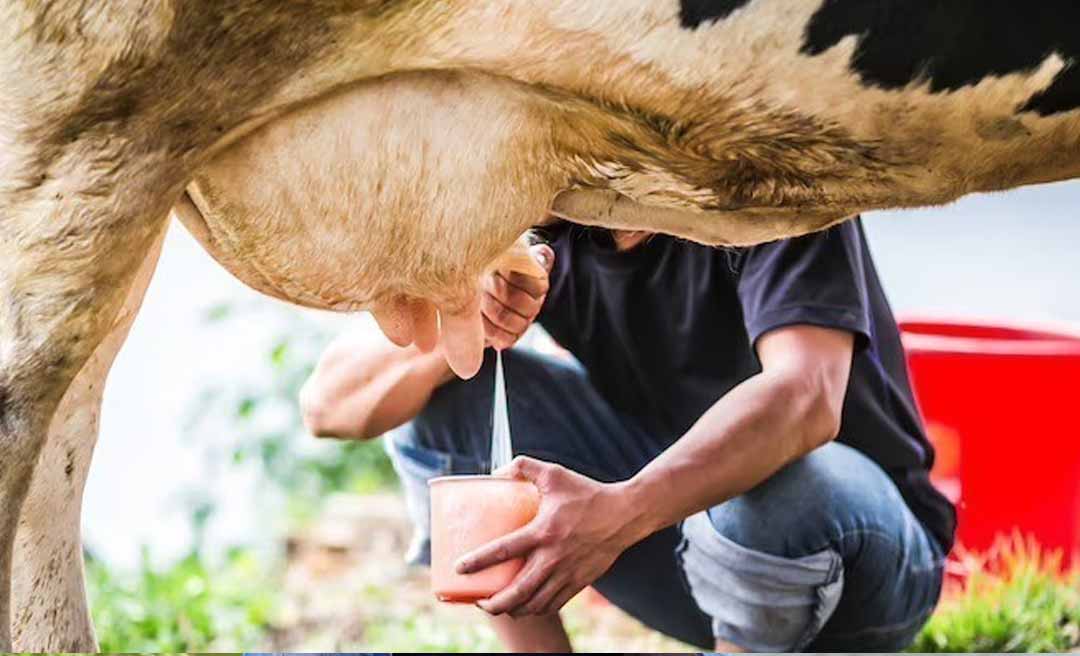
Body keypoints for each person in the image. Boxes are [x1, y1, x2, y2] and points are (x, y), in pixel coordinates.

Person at [299, 218, 955, 653]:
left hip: (866, 572)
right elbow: (329, 404)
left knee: (784, 483)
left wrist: (617, 513)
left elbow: (807, 399)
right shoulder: (551, 216)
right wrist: (476, 319)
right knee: (447, 409)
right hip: (691, 561)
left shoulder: (771, 170)